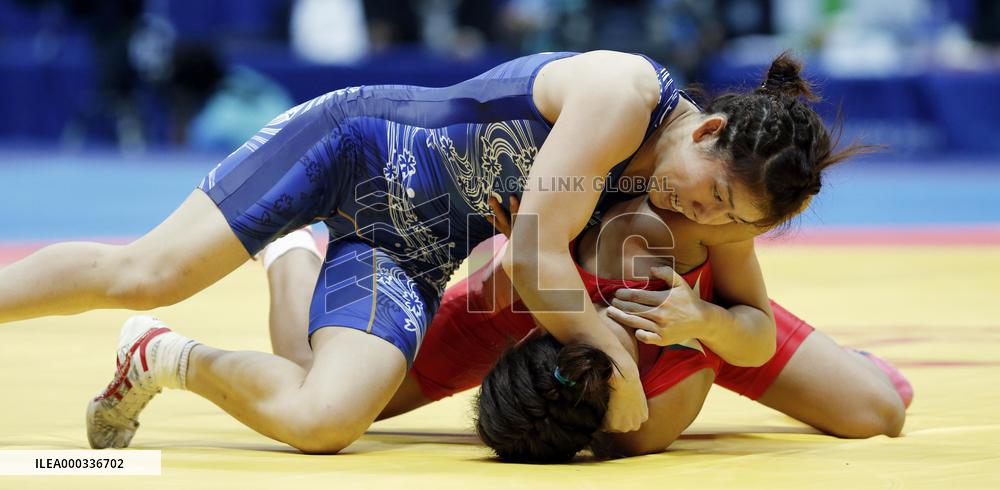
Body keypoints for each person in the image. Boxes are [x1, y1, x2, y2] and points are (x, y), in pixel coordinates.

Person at [2, 50, 860, 453]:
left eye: (726, 218)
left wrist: (701, 320)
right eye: (710, 195)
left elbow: (745, 316)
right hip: (350, 145)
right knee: (147, 272)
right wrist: (619, 367)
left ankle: (160, 356)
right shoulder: (621, 94)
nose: (698, 214)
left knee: (325, 418)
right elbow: (533, 260)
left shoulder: (681, 184)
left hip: (413, 246)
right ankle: (284, 248)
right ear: (708, 131)